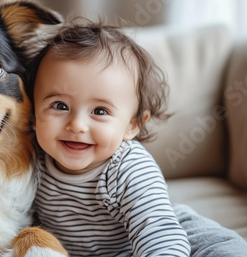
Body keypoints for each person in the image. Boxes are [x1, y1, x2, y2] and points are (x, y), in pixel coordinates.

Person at [27, 18, 191, 257]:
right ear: (33, 113)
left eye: (100, 111)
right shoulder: (34, 158)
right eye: (60, 105)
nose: (77, 125)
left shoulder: (128, 169)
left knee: (222, 248)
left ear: (132, 125)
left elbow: (160, 239)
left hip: (134, 248)